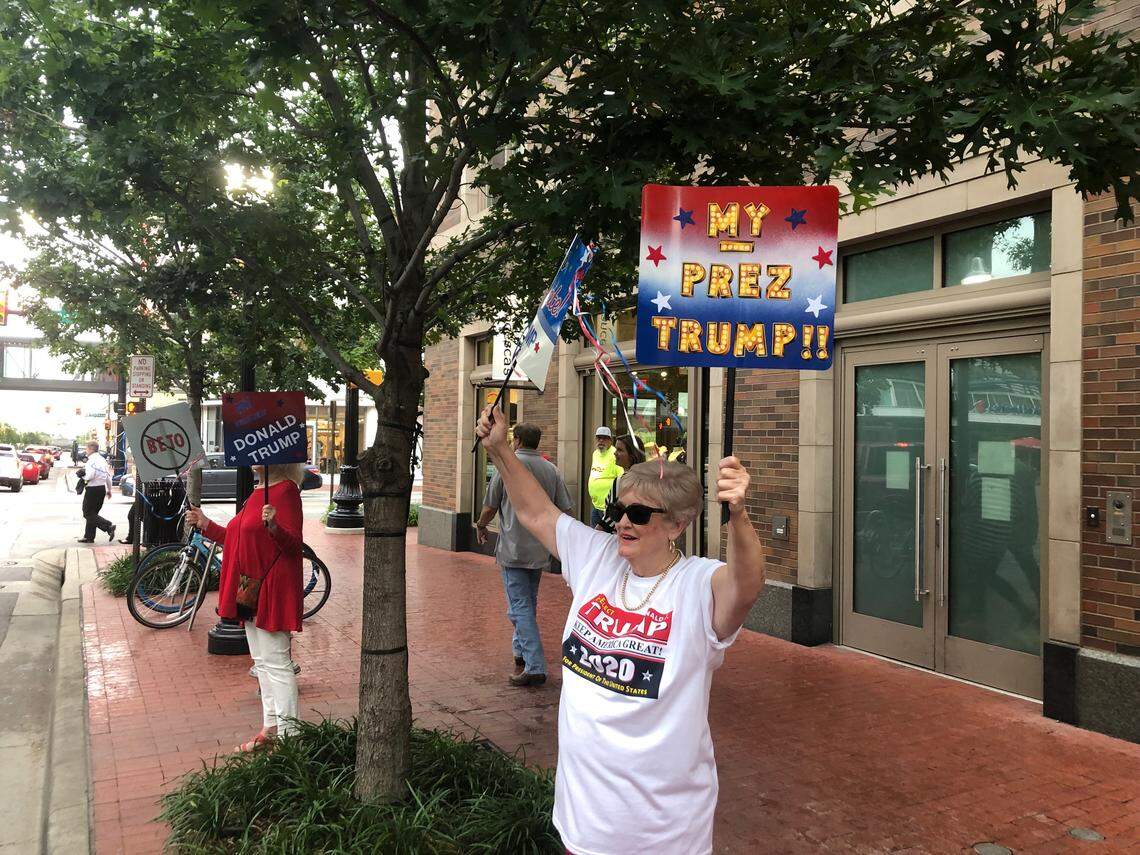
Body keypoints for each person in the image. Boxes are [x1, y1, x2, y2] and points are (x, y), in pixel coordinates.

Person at [476, 404, 765, 855]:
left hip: (662, 831)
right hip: (585, 819)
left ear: (677, 523)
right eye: (619, 509)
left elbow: (746, 585)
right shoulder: (598, 557)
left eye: (640, 514)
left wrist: (739, 516)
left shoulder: (697, 585)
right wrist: (499, 451)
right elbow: (536, 512)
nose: (624, 522)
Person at [185, 463, 306, 751]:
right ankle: (272, 725)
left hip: (271, 588)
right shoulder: (256, 493)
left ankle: (292, 737)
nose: (252, 459)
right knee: (262, 663)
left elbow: (294, 545)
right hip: (249, 588)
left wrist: (275, 527)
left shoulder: (286, 491)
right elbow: (236, 540)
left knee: (277, 663)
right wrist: (207, 525)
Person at [475, 423, 573, 687]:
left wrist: (481, 525)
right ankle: (520, 651)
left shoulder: (507, 468)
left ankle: (534, 665)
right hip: (540, 548)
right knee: (527, 602)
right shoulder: (551, 470)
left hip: (513, 548)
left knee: (520, 607)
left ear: (516, 440)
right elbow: (566, 509)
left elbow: (489, 506)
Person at [596, 434, 646, 533]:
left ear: (632, 455)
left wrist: (596, 534)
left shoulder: (622, 481)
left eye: (620, 450)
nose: (615, 453)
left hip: (617, 537)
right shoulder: (645, 479)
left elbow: (611, 517)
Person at [77, 441, 116, 543]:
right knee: (94, 513)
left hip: (92, 489)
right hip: (101, 489)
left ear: (90, 449)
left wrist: (82, 476)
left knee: (87, 513)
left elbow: (90, 476)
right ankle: (89, 537)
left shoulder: (91, 461)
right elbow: (108, 477)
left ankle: (108, 526)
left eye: (86, 449)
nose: (86, 451)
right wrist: (109, 490)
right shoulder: (103, 460)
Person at [586, 426, 621, 527]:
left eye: (604, 438)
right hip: (595, 504)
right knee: (594, 536)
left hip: (608, 507)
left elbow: (621, 478)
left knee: (605, 537)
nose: (601, 441)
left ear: (610, 440)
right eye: (599, 438)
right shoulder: (595, 454)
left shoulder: (615, 454)